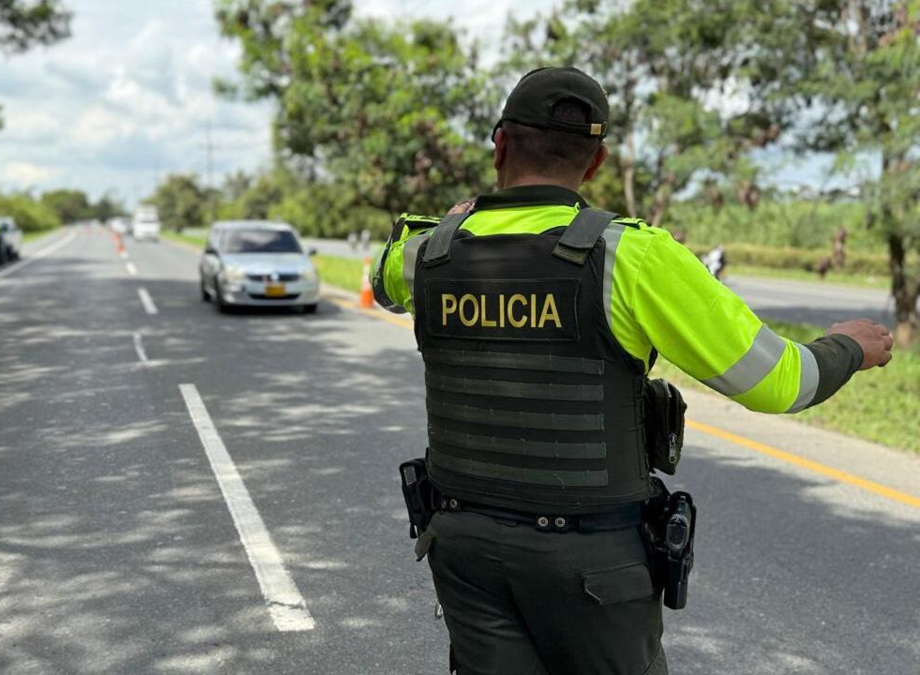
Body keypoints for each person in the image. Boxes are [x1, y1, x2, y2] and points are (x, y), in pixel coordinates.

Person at [372, 66, 893, 675]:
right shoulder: (633, 257)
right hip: (592, 565)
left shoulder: (427, 252)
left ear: (500, 145)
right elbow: (782, 383)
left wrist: (450, 221)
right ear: (596, 162)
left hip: (463, 548)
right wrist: (849, 346)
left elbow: (381, 282)